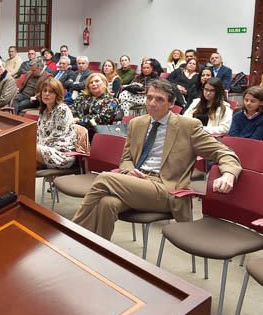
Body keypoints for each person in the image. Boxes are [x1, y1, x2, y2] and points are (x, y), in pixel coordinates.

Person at [72, 79, 242, 240]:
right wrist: (129, 170)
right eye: (149, 97)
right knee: (107, 203)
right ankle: (98, 251)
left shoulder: (188, 126)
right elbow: (126, 158)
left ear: (171, 103)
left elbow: (224, 152)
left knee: (104, 178)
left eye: (159, 99)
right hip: (137, 181)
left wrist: (228, 174)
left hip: (166, 188)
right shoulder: (136, 123)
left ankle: (72, 230)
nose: (152, 103)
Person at [36, 77, 77, 169]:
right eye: (44, 90)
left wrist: (37, 146)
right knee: (23, 161)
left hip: (62, 153)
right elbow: (39, 134)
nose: (46, 94)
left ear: (57, 94)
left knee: (28, 149)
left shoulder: (62, 109)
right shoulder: (44, 111)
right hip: (45, 149)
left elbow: (57, 138)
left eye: (51, 92)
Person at [70, 73, 121, 139]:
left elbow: (102, 118)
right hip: (76, 127)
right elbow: (73, 109)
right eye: (91, 82)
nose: (94, 84)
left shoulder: (112, 101)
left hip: (96, 132)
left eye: (97, 81)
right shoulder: (82, 97)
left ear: (105, 83)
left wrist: (79, 120)